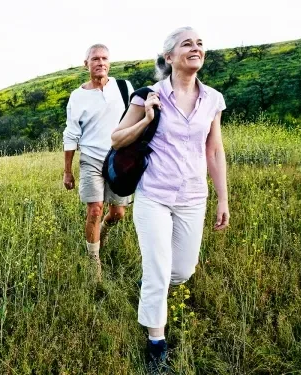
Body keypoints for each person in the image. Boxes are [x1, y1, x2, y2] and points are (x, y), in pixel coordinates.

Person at [110, 27, 230, 369]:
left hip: (193, 196)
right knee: (159, 272)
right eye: (187, 44)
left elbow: (215, 149)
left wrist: (223, 199)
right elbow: (117, 139)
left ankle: (152, 283)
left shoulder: (213, 99)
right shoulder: (149, 95)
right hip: (154, 196)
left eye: (200, 44)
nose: (196, 48)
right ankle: (156, 344)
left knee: (182, 270)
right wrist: (147, 118)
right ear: (169, 57)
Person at [63, 43, 133, 281]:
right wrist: (67, 171)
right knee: (95, 209)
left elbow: (137, 118)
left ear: (109, 63)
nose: (100, 62)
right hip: (91, 159)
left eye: (104, 58)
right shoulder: (78, 96)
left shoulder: (124, 87)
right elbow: (71, 134)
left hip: (119, 158)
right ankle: (94, 263)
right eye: (95, 59)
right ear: (86, 64)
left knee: (119, 213)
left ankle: (103, 231)